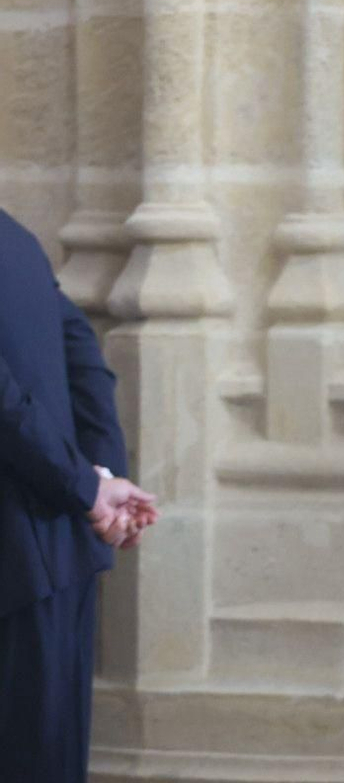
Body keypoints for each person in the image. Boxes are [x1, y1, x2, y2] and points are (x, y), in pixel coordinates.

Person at [0, 208, 159, 782]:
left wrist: (90, 489)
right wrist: (102, 478)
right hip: (59, 551)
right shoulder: (15, 234)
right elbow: (85, 362)